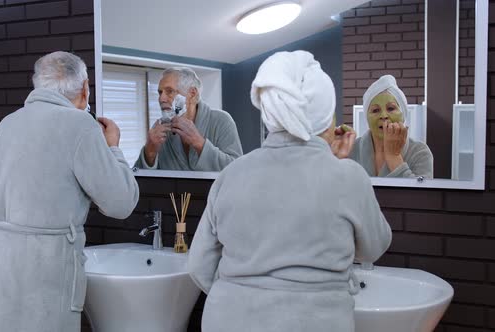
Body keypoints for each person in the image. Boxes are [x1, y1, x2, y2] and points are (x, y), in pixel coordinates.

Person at [187, 50, 391, 332]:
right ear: (326, 117)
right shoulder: (348, 177)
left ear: (270, 114)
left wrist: (241, 296)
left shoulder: (230, 174)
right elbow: (373, 248)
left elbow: (198, 265)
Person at [0, 51, 139, 332]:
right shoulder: (79, 125)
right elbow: (121, 202)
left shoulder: (6, 124)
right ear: (85, 89)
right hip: (42, 265)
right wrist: (113, 148)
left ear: (38, 84)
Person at [134, 67, 243, 171]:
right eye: (160, 92)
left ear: (192, 93)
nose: (161, 99)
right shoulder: (160, 129)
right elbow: (138, 180)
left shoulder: (221, 121)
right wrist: (149, 151)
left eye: (170, 91)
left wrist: (199, 143)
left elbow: (237, 170)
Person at [348, 75, 433, 178]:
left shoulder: (419, 152)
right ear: (367, 117)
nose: (384, 116)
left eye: (391, 108)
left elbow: (422, 194)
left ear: (403, 114)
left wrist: (394, 157)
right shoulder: (351, 150)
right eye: (375, 110)